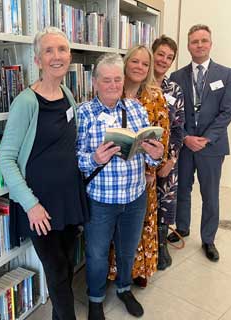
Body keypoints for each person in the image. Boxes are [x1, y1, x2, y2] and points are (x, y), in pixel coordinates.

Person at [0, 27, 89, 320]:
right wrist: (31, 205)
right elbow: (7, 158)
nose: (56, 56)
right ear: (37, 60)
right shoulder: (26, 102)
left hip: (68, 198)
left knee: (65, 266)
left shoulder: (67, 94)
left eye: (62, 49)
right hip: (40, 205)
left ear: (70, 56)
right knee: (58, 274)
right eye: (48, 51)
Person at [77, 53, 164, 320]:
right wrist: (94, 158)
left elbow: (149, 154)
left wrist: (156, 152)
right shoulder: (84, 113)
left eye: (117, 79)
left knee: (128, 249)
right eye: (107, 80)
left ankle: (124, 288)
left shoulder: (136, 108)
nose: (113, 85)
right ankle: (95, 300)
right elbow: (74, 159)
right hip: (101, 199)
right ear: (95, 83)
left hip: (135, 196)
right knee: (97, 254)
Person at [167, 24, 231, 262]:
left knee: (210, 194)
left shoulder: (226, 74)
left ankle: (208, 239)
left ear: (210, 44)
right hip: (185, 145)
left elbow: (227, 112)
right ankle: (183, 227)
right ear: (188, 46)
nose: (199, 45)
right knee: (182, 189)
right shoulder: (176, 77)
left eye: (203, 41)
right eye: (194, 41)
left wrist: (206, 139)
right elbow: (173, 113)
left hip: (212, 147)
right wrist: (185, 137)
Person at [108, 45, 170, 288]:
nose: (139, 67)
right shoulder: (113, 90)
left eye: (145, 64)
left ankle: (138, 271)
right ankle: (114, 272)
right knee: (115, 226)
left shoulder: (155, 96)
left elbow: (162, 138)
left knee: (141, 223)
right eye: (135, 61)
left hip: (143, 175)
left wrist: (150, 169)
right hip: (113, 174)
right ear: (126, 63)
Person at [152, 35, 185, 270]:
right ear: (152, 54)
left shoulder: (174, 89)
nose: (164, 60)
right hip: (140, 160)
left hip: (166, 161)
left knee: (165, 202)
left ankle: (161, 246)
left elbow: (178, 128)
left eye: (169, 57)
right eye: (161, 54)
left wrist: (171, 160)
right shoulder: (138, 82)